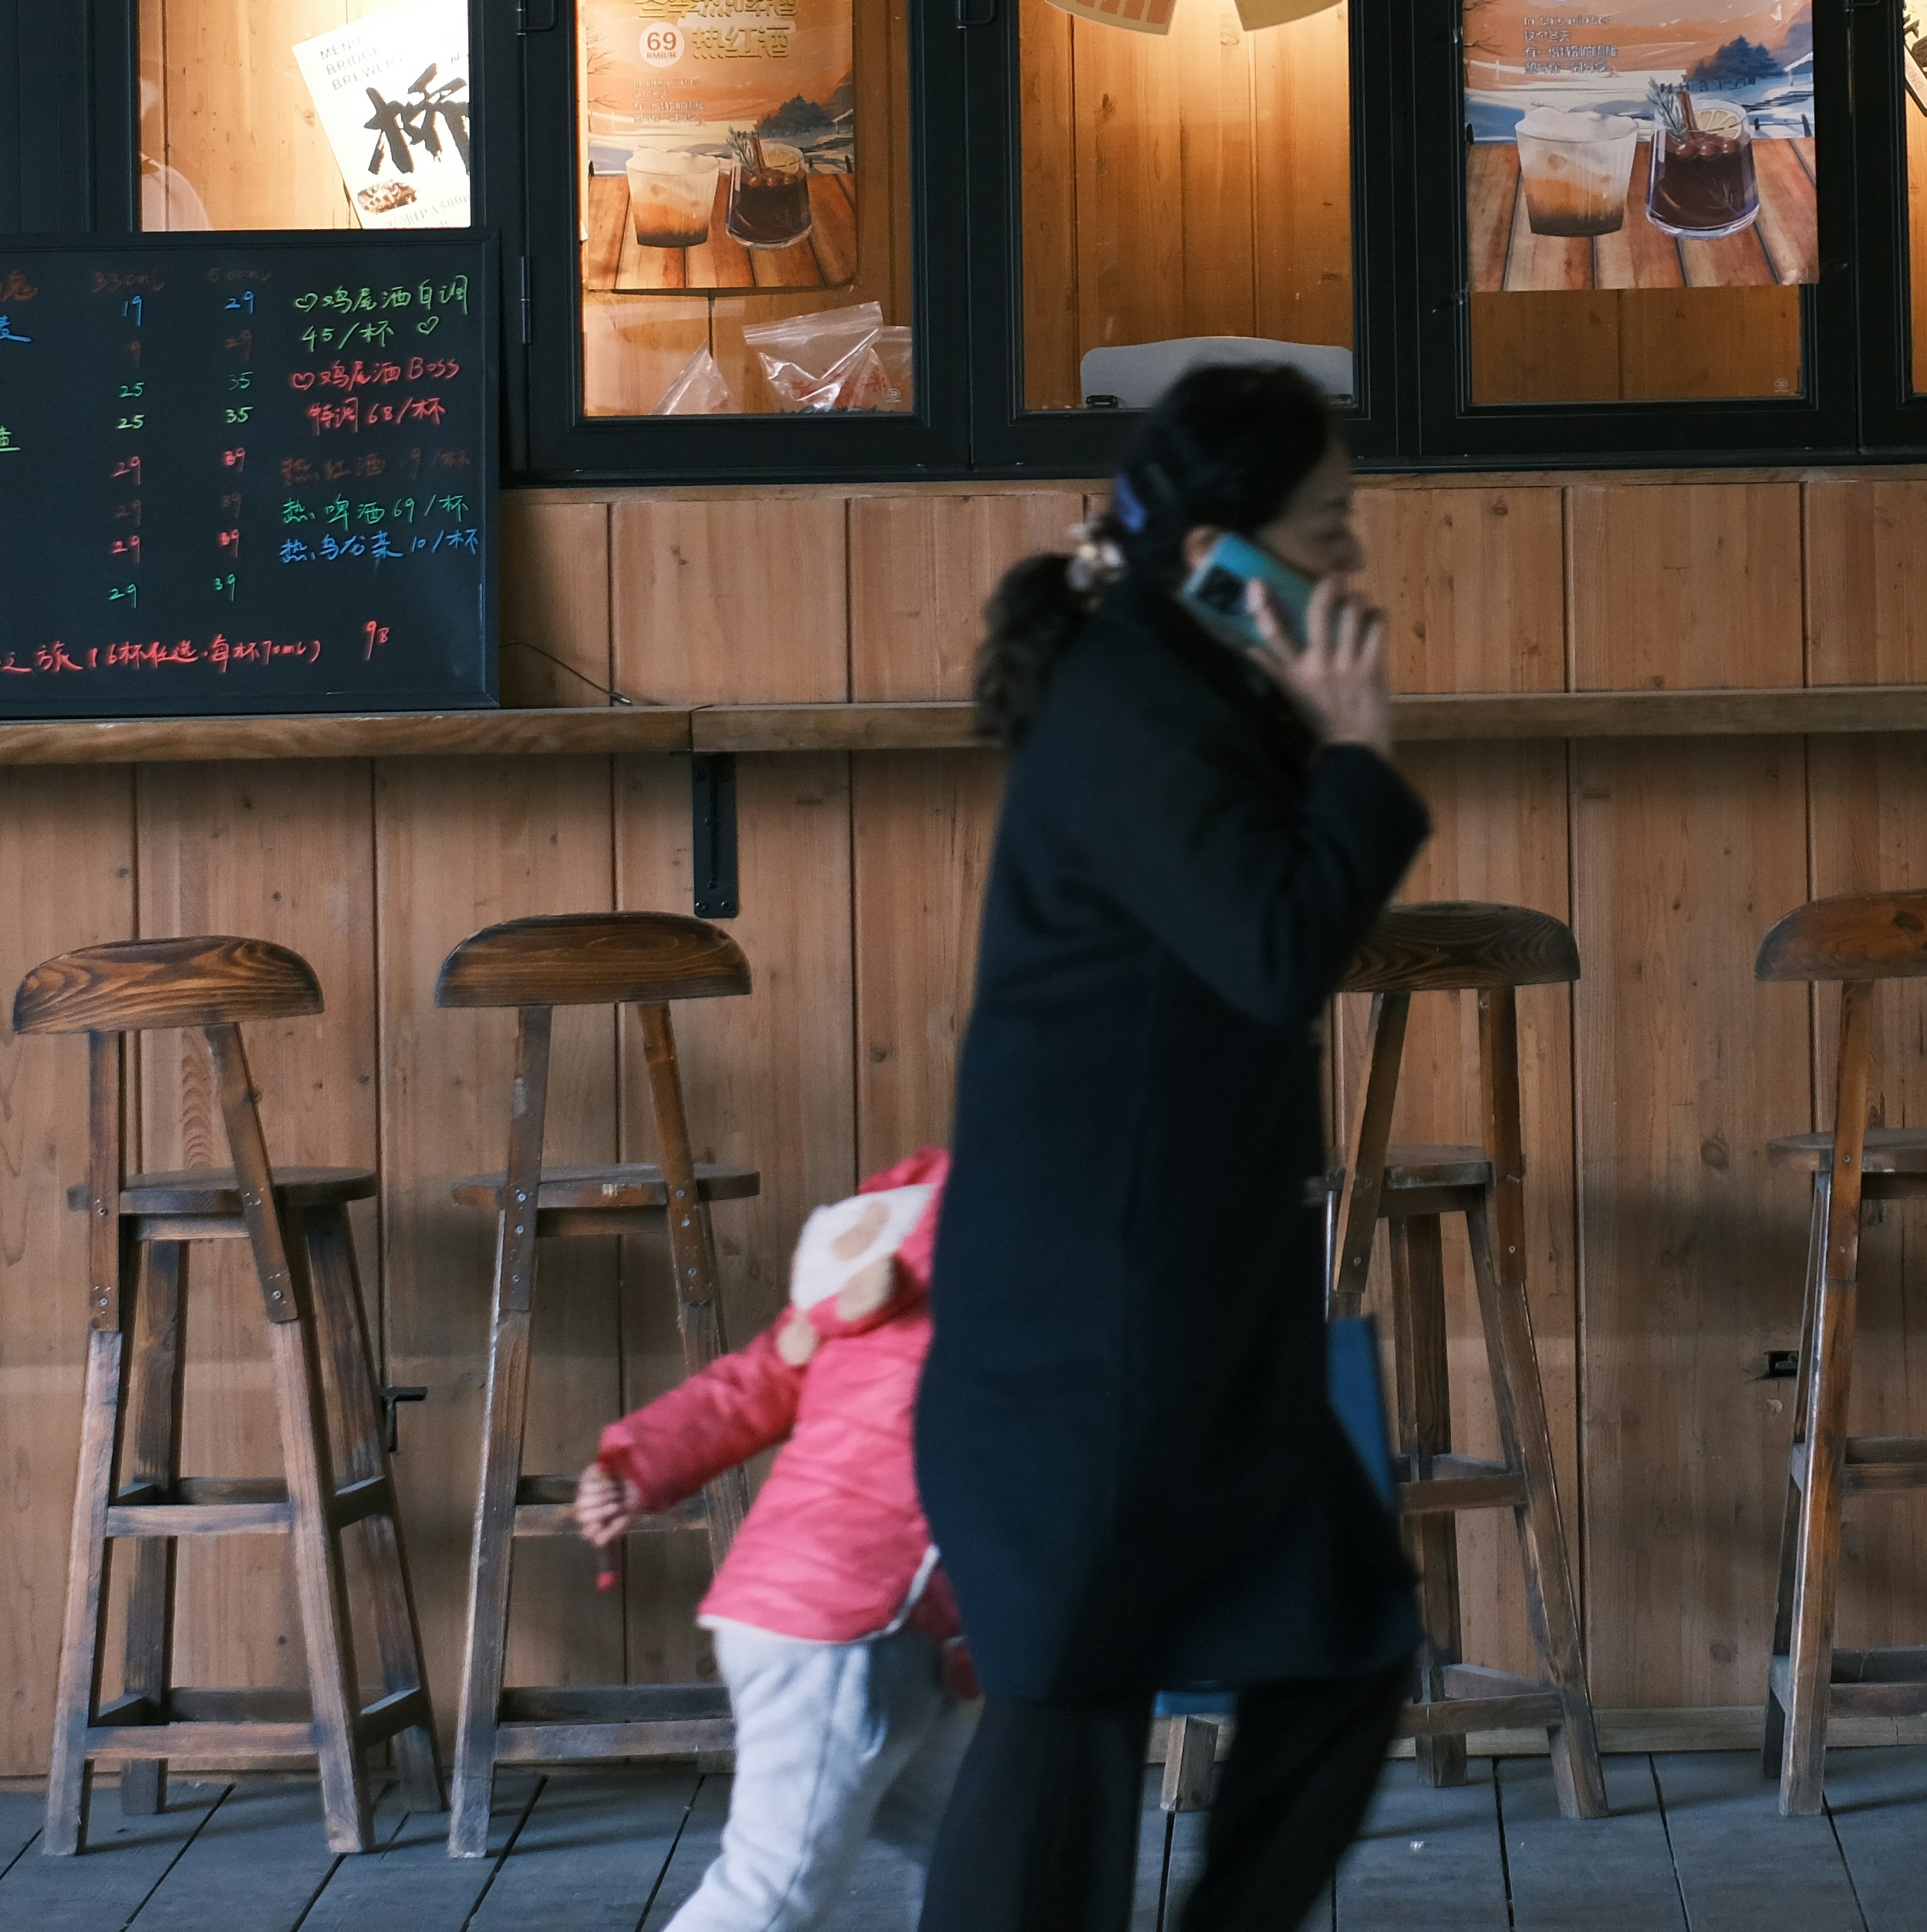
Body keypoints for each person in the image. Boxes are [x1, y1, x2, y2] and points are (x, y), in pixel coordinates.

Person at [911, 362, 1429, 1932]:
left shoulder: (1181, 683)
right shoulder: (1136, 699)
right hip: (1093, 1327)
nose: (1350, 567)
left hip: (1180, 1313)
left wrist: (1322, 740)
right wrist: (1354, 750)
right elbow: (1275, 945)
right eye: (1325, 530)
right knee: (1066, 1729)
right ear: (1221, 549)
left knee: (1343, 1634)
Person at [572, 1155, 975, 1932]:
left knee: (981, 1847)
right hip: (846, 1624)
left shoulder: (875, 1280)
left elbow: (756, 1378)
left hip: (840, 1620)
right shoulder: (1004, 1262)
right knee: (772, 1888)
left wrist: (640, 1461)